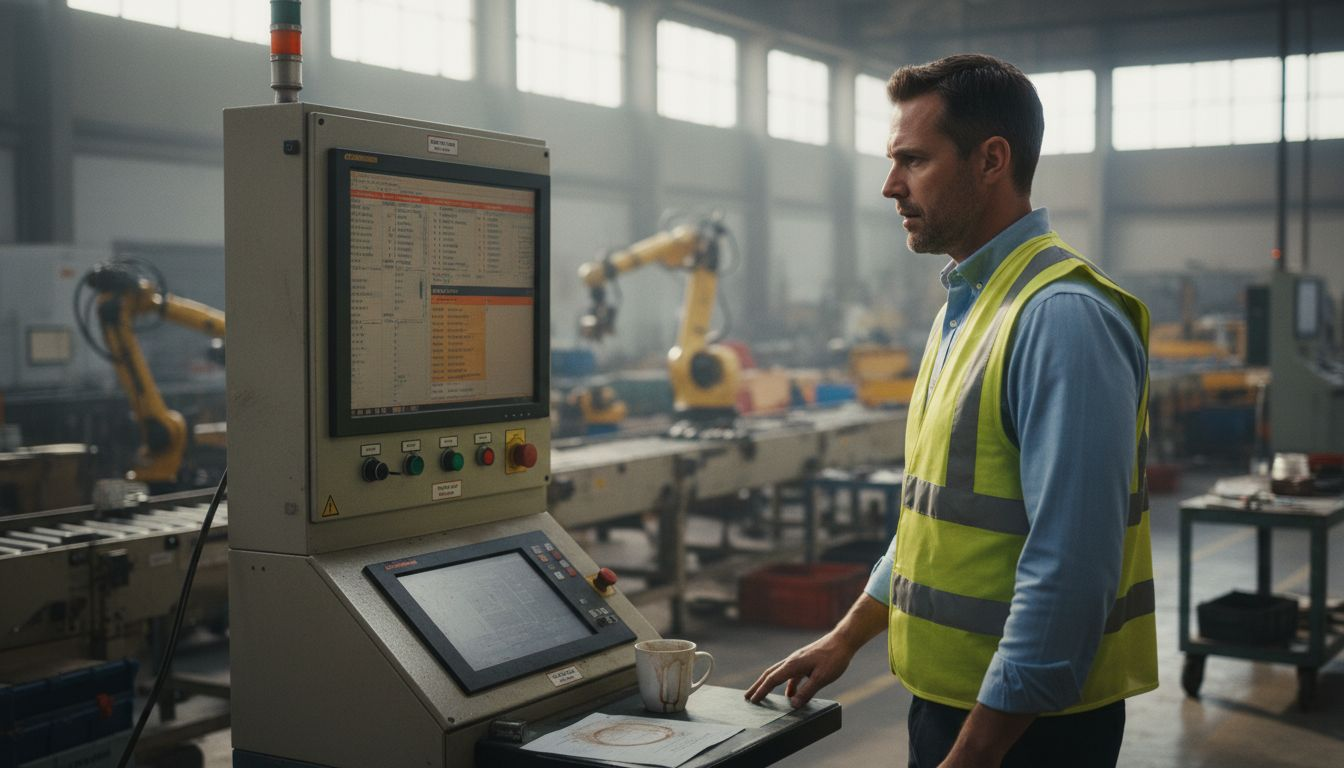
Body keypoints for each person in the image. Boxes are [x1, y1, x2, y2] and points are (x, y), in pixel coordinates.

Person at [746, 54, 1158, 768]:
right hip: (956, 707)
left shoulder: (1061, 318)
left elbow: (1071, 571)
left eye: (913, 159)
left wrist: (975, 753)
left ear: (991, 160)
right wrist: (847, 636)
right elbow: (934, 522)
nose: (890, 185)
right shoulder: (965, 311)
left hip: (1029, 730)